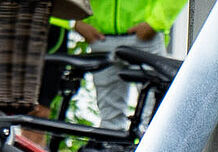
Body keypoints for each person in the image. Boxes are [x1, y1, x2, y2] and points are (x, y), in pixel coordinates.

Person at [74, 1, 187, 133]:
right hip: (101, 37)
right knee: (109, 122)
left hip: (145, 38)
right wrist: (76, 21)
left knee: (154, 118)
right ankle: (111, 151)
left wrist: (155, 22)